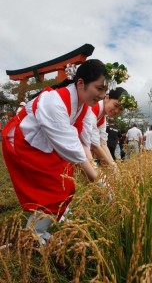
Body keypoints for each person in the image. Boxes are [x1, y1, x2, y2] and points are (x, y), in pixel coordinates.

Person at [2, 59, 108, 244]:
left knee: (66, 186)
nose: (101, 95)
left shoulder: (84, 107)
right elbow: (75, 152)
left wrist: (98, 176)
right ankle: (33, 236)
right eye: (99, 88)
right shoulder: (54, 101)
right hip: (27, 144)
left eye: (104, 91)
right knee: (54, 191)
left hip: (49, 146)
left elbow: (84, 145)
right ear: (81, 83)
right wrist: (100, 184)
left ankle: (45, 226)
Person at [90, 62, 137, 166]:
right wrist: (112, 167)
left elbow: (102, 143)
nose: (117, 111)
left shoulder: (102, 117)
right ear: (107, 98)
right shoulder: (93, 108)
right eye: (116, 105)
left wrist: (113, 165)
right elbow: (95, 144)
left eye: (120, 109)